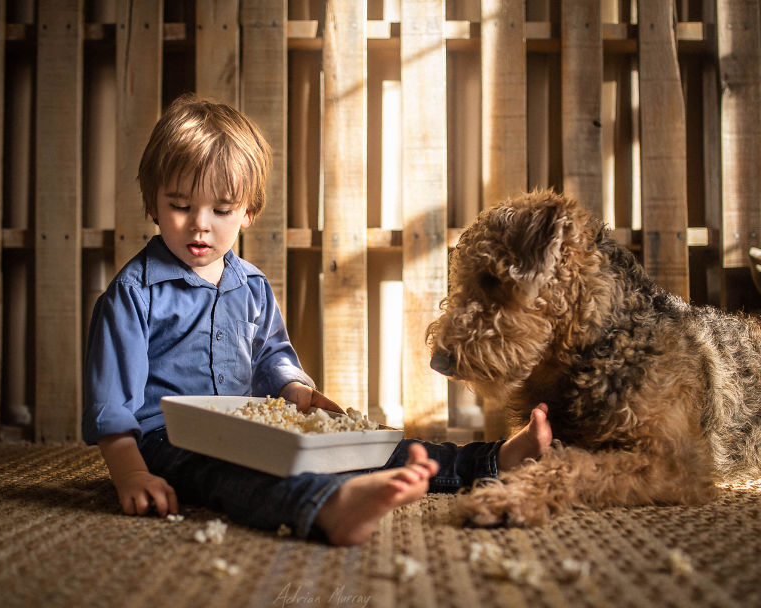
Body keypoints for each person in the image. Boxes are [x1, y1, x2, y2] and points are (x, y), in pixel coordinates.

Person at [82, 93, 552, 546]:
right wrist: (132, 473)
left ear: (247, 212)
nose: (200, 223)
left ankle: (490, 462)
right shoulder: (133, 293)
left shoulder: (252, 286)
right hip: (170, 440)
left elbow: (271, 355)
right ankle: (330, 507)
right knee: (239, 478)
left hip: (246, 427)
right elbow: (112, 405)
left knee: (353, 446)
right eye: (180, 206)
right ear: (153, 203)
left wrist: (296, 391)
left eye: (221, 209)